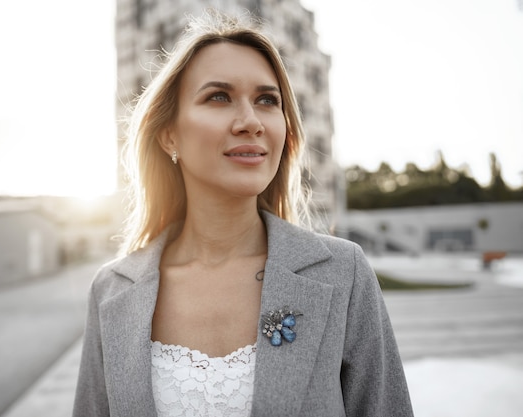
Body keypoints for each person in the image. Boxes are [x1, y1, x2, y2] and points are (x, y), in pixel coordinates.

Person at [73, 10, 413, 417]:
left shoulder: (343, 272)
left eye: (267, 100)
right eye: (218, 96)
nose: (251, 121)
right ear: (169, 135)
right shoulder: (111, 291)